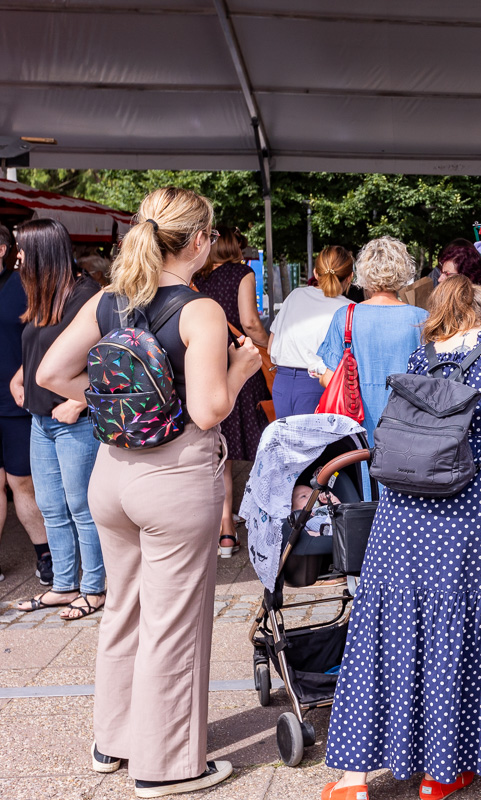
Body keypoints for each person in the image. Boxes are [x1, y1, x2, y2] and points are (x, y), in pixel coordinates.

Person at [38, 186, 261, 796]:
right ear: (200, 241)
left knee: (124, 610)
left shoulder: (109, 300)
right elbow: (209, 409)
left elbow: (51, 373)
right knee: (173, 624)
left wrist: (118, 405)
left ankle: (113, 741)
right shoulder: (199, 310)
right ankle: (167, 766)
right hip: (174, 475)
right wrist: (241, 370)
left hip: (111, 472)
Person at [321, 276, 481, 800]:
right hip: (473, 522)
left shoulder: (423, 357)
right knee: (465, 630)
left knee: (388, 631)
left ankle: (352, 780)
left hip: (405, 517)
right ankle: (441, 771)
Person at [9, 219, 104, 619]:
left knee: (82, 507)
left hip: (74, 422)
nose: (17, 257)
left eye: (22, 249)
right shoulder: (44, 293)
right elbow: (43, 349)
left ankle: (95, 589)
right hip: (40, 420)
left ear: (41, 252)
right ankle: (64, 586)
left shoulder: (87, 295)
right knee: (51, 507)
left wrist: (78, 404)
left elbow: (107, 361)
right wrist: (21, 376)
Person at [192, 227, 271, 557]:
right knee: (259, 443)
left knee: (220, 450)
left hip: (209, 364)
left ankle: (225, 531)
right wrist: (271, 344)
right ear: (234, 247)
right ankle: (262, 518)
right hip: (239, 362)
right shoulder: (242, 273)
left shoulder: (198, 278)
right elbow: (249, 322)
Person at [316, 236, 428, 444]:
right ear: (404, 271)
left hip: (357, 430)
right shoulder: (422, 318)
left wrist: (319, 376)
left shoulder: (345, 316)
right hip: (408, 429)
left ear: (363, 272)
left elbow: (330, 379)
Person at [0, 223, 51, 586]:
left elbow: (44, 339)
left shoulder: (22, 285)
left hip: (15, 404)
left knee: (22, 483)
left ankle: (46, 555)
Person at [268, 245, 352, 417]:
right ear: (350, 277)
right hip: (319, 384)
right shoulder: (350, 310)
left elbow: (270, 347)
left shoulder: (295, 295)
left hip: (282, 384)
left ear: (315, 273)